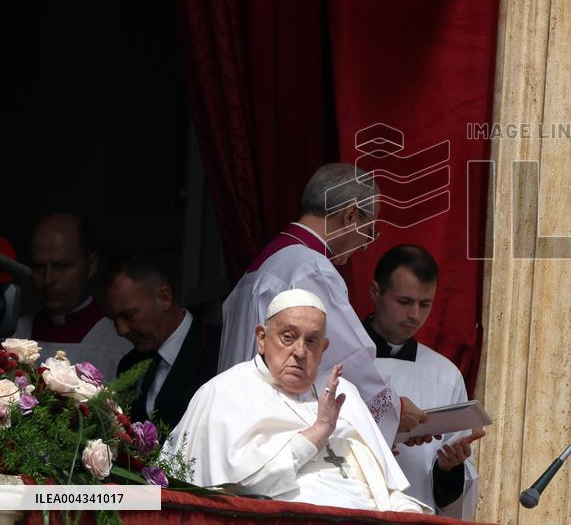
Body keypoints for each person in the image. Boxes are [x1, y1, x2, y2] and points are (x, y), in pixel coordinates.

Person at [167, 289, 430, 513]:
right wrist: (317, 433)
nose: (300, 352)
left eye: (312, 341)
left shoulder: (343, 392)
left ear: (323, 348)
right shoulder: (225, 392)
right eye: (288, 337)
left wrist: (407, 511)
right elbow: (239, 491)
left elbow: (381, 485)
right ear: (261, 338)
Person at [217, 163, 426, 444]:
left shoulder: (267, 264)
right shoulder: (308, 267)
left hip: (235, 422)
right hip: (274, 431)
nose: (366, 245)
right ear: (351, 214)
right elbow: (345, 358)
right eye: (369, 229)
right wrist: (393, 411)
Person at [365, 245, 483, 519]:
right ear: (375, 292)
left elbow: (456, 495)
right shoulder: (340, 358)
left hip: (417, 511)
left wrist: (449, 470)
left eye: (425, 304)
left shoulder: (444, 374)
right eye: (404, 302)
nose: (415, 315)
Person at [97, 253, 220, 429]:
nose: (121, 330)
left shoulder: (219, 349)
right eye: (113, 320)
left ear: (164, 297)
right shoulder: (129, 364)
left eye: (129, 315)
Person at [13, 213, 131, 378]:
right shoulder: (13, 334)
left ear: (91, 265)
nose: (48, 280)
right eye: (39, 267)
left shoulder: (121, 342)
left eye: (62, 266)